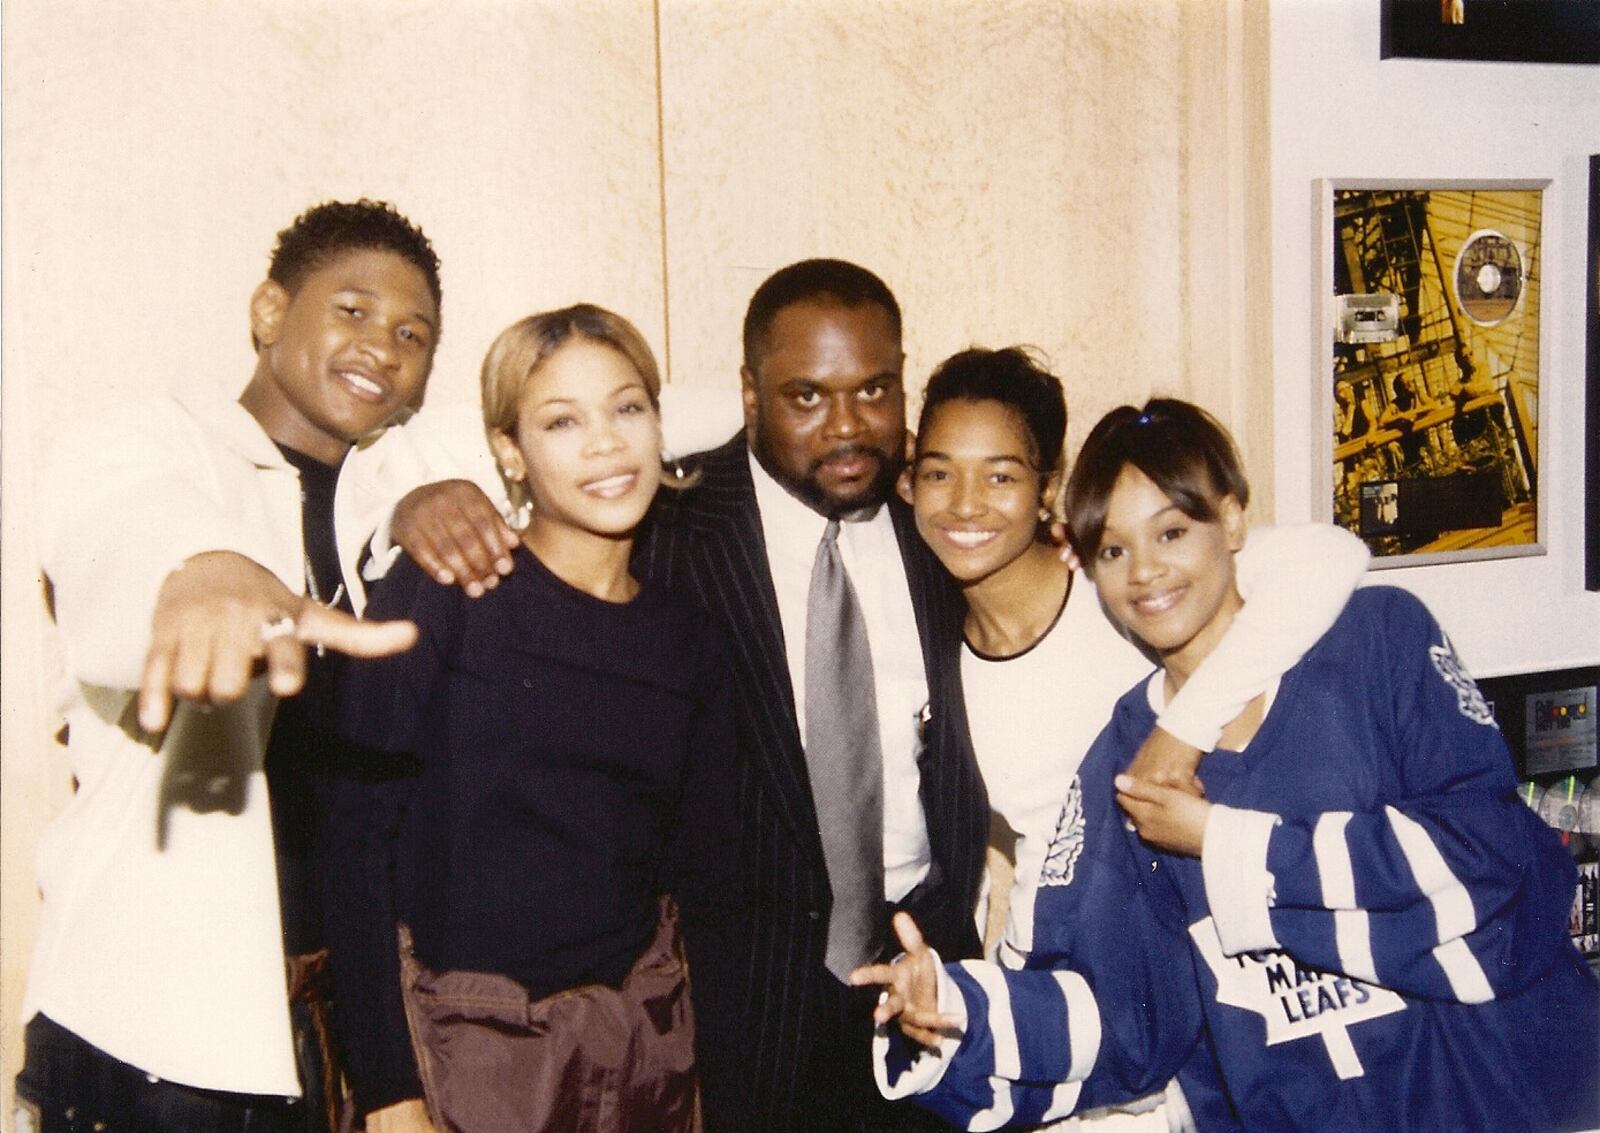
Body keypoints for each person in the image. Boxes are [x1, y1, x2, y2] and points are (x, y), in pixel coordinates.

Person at [856, 398, 1600, 1132]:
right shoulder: (1123, 762)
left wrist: (1225, 844)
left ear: (1235, 520)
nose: (1146, 572)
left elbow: (1491, 875)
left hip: (1530, 1096)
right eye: (1114, 549)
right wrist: (954, 1011)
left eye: (1172, 531)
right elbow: (1126, 1013)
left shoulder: (1377, 642)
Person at [389, 259, 984, 1132]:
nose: (847, 425)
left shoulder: (948, 535)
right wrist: (411, 498)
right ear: (749, 396)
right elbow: (536, 438)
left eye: (876, 390)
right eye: (807, 397)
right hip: (741, 1017)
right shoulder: (660, 526)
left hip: (924, 988)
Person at [15, 200, 468, 1132]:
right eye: (351, 309)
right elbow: (128, 515)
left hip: (318, 1028)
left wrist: (437, 493)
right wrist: (205, 570)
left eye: (411, 332)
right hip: (149, 1037)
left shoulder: (388, 483)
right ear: (269, 312)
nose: (382, 345)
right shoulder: (152, 445)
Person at [326, 305, 743, 1133]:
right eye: (561, 420)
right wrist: (386, 1088)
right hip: (464, 1058)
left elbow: (706, 883)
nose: (604, 443)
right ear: (509, 452)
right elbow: (352, 841)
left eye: (628, 408)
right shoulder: (449, 585)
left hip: (640, 1062)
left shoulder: (689, 637)